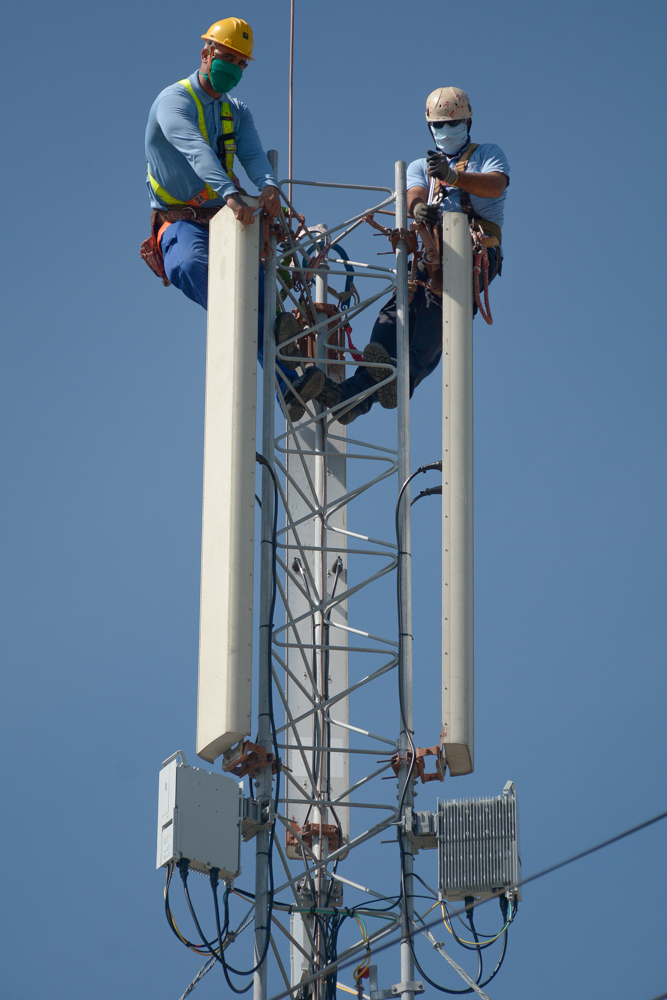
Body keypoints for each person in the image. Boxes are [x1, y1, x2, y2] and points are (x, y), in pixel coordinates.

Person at [286, 87, 509, 424]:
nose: (446, 131)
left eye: (453, 124)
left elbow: (495, 185)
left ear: (468, 121)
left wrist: (453, 177)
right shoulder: (423, 165)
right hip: (430, 256)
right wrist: (420, 210)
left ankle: (390, 381)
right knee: (393, 318)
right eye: (439, 126)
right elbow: (414, 194)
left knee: (428, 334)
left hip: (473, 254)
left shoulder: (487, 154)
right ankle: (351, 396)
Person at [141, 18, 304, 389]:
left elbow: (252, 153)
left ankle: (295, 384)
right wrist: (231, 194)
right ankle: (263, 344)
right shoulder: (173, 101)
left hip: (226, 220)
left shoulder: (236, 112)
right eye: (228, 58)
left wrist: (268, 186)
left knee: (265, 295)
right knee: (192, 265)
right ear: (206, 54)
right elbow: (196, 151)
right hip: (182, 222)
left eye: (241, 63)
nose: (233, 68)